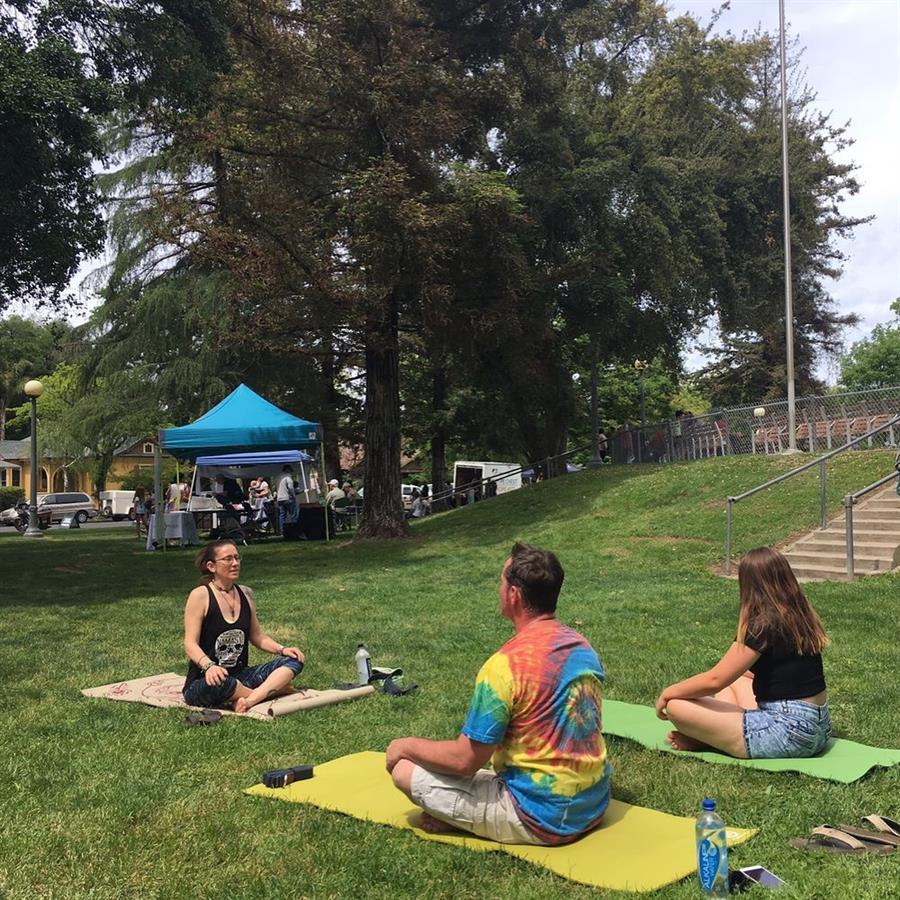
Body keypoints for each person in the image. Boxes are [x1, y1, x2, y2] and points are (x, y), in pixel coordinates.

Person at [386, 542, 612, 845]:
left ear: (514, 594)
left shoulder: (504, 666)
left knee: (404, 770)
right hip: (592, 804)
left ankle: (465, 821)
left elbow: (466, 760)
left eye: (501, 582)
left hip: (540, 818)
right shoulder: (583, 648)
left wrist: (404, 745)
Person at [655, 546, 831, 759]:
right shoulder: (800, 615)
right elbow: (736, 676)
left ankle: (713, 740)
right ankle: (714, 735)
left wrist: (668, 692)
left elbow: (715, 680)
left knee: (676, 706)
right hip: (818, 728)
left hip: (787, 733)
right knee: (736, 681)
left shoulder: (762, 624)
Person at [183, 540, 305, 712]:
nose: (235, 563)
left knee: (294, 661)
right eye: (228, 559)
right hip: (207, 680)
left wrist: (283, 649)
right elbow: (190, 644)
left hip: (242, 676)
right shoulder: (200, 595)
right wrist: (209, 666)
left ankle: (249, 699)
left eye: (237, 558)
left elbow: (257, 637)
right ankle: (269, 691)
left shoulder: (245, 594)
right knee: (222, 682)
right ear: (211, 566)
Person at [276, 465, 298, 532]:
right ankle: (294, 529)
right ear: (288, 470)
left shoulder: (278, 477)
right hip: (287, 498)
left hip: (279, 498)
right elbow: (290, 488)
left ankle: (282, 530)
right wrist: (294, 495)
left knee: (282, 515)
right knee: (294, 514)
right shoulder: (288, 477)